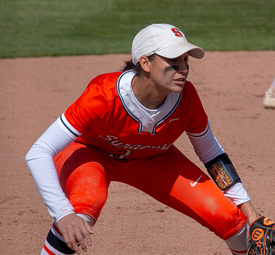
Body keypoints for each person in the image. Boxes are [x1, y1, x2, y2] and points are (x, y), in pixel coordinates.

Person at [26, 23, 261, 255]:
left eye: (185, 61)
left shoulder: (187, 98)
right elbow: (39, 151)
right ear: (145, 63)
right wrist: (62, 213)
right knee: (83, 210)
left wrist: (251, 214)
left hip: (152, 159)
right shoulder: (103, 95)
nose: (183, 69)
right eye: (173, 62)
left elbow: (213, 156)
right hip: (91, 153)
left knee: (231, 220)